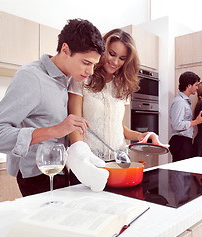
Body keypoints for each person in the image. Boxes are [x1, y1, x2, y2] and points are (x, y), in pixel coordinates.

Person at [0, 19, 108, 197]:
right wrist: (56, 130)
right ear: (65, 50)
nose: (90, 71)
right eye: (86, 62)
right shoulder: (31, 77)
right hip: (37, 175)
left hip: (60, 169)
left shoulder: (68, 80)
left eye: (94, 64)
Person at [68, 28, 160, 184]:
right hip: (90, 165)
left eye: (122, 58)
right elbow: (75, 127)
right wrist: (82, 162)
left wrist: (142, 136)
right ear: (102, 49)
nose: (115, 62)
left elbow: (120, 128)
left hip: (119, 165)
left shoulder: (122, 86)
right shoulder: (82, 78)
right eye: (111, 54)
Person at [169, 71, 202, 162]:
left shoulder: (185, 101)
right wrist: (195, 122)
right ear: (189, 86)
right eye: (196, 85)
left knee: (184, 173)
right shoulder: (180, 102)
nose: (197, 88)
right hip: (180, 142)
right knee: (181, 173)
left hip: (184, 141)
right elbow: (177, 125)